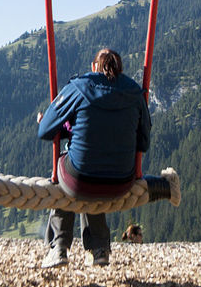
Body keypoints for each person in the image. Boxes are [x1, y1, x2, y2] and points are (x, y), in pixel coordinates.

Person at [36, 48, 151, 268]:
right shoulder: (135, 93)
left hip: (80, 179)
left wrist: (65, 127)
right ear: (121, 69)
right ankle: (99, 249)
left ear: (93, 67)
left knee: (68, 169)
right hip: (122, 181)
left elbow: (45, 131)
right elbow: (144, 142)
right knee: (90, 165)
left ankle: (58, 247)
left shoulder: (79, 87)